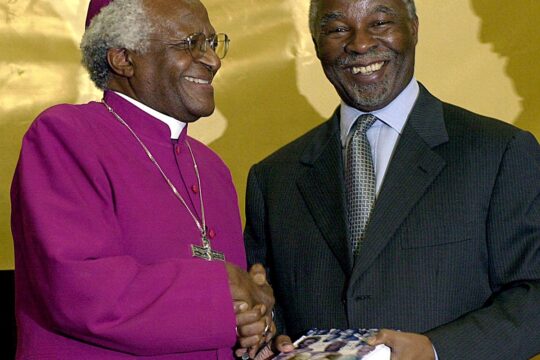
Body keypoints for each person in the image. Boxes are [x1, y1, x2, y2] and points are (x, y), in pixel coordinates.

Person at [244, 0, 540, 359]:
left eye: (380, 22)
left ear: (414, 28)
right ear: (316, 43)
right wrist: (270, 335)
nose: (360, 44)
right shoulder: (274, 178)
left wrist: (436, 351)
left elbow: (533, 297)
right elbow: (266, 307)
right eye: (338, 29)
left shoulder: (499, 152)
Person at [10, 0, 275, 358]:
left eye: (212, 43)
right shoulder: (65, 136)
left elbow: (226, 317)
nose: (213, 60)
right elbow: (79, 290)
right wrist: (226, 287)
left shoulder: (213, 169)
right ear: (123, 58)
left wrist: (255, 327)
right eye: (191, 42)